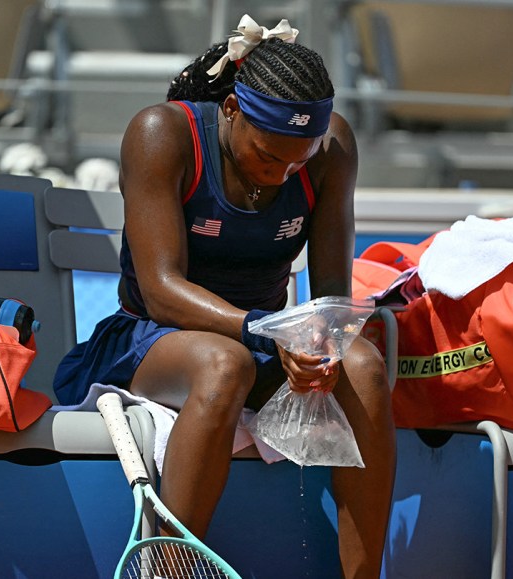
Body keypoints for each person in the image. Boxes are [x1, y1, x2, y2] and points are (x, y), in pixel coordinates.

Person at [53, 15, 396, 578]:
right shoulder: (160, 133)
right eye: (268, 156)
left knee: (363, 365)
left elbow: (331, 293)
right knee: (223, 363)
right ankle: (167, 570)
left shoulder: (332, 151)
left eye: (299, 160)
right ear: (232, 111)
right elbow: (162, 292)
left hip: (260, 336)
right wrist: (269, 330)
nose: (284, 173)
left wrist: (321, 344)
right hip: (151, 338)